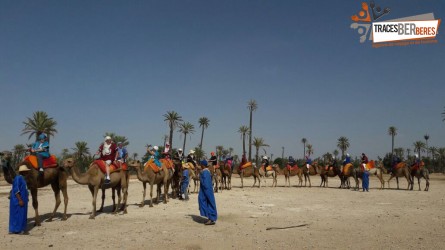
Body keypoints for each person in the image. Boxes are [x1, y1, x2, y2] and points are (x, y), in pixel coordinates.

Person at [9, 165, 30, 234]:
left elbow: (24, 189)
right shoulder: (18, 178)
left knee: (21, 214)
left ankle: (16, 229)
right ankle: (19, 230)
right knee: (18, 214)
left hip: (23, 199)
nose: (27, 173)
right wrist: (20, 200)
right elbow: (16, 190)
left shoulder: (22, 178)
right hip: (18, 200)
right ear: (23, 172)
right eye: (26, 171)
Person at [198, 160, 217, 225]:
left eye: (201, 165)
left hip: (206, 191)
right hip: (206, 190)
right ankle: (210, 218)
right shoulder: (205, 172)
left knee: (209, 202)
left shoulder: (205, 172)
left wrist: (200, 177)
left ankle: (211, 219)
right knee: (208, 202)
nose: (200, 166)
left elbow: (205, 183)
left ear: (203, 165)